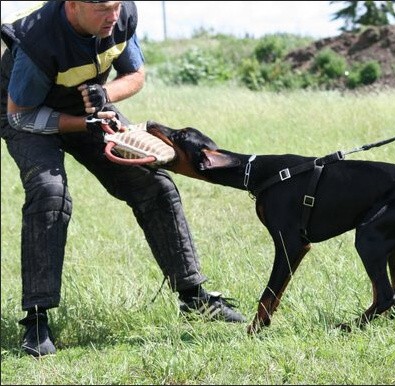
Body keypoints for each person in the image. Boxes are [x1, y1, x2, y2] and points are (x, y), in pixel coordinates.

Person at [0, 0, 245, 358]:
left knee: (154, 185)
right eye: (102, 8)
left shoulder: (119, 16)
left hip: (87, 109)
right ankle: (36, 322)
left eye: (115, 5)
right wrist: (83, 123)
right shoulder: (40, 39)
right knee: (49, 193)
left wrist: (106, 95)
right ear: (73, 5)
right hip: (26, 115)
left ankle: (194, 299)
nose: (112, 16)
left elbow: (136, 74)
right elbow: (21, 117)